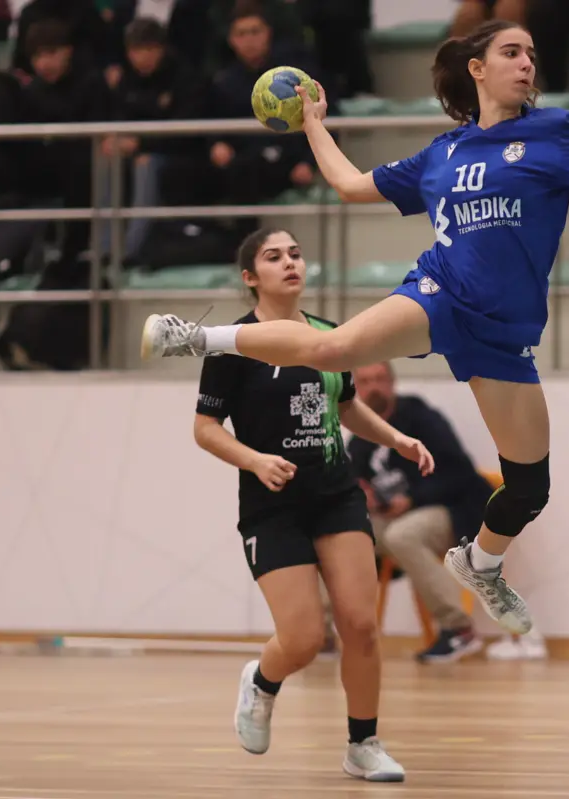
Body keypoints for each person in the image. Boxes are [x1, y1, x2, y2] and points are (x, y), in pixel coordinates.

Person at [142, 19, 569, 638]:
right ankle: (196, 337)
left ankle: (480, 563)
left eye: (531, 54)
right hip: (440, 294)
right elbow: (350, 185)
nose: (527, 64)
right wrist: (315, 124)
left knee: (530, 488)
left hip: (503, 333)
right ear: (477, 68)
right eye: (511, 52)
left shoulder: (554, 132)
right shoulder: (442, 153)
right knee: (333, 347)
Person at [193, 228, 434, 782]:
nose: (290, 263)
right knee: (303, 640)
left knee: (360, 624)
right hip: (272, 506)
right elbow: (205, 428)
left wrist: (396, 439)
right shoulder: (232, 344)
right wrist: (254, 460)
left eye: (296, 254)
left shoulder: (330, 335)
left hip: (336, 496)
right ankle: (262, 681)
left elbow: (346, 406)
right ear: (250, 277)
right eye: (274, 257)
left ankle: (363, 744)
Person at [349, 361, 496, 663]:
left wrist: (411, 499)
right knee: (338, 532)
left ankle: (459, 630)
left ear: (392, 383)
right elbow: (355, 484)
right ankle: (320, 635)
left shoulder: (421, 418)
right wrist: (363, 496)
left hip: (455, 510)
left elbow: (460, 473)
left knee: (402, 536)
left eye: (379, 379)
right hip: (397, 517)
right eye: (365, 381)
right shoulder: (360, 437)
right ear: (355, 389)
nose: (373, 387)